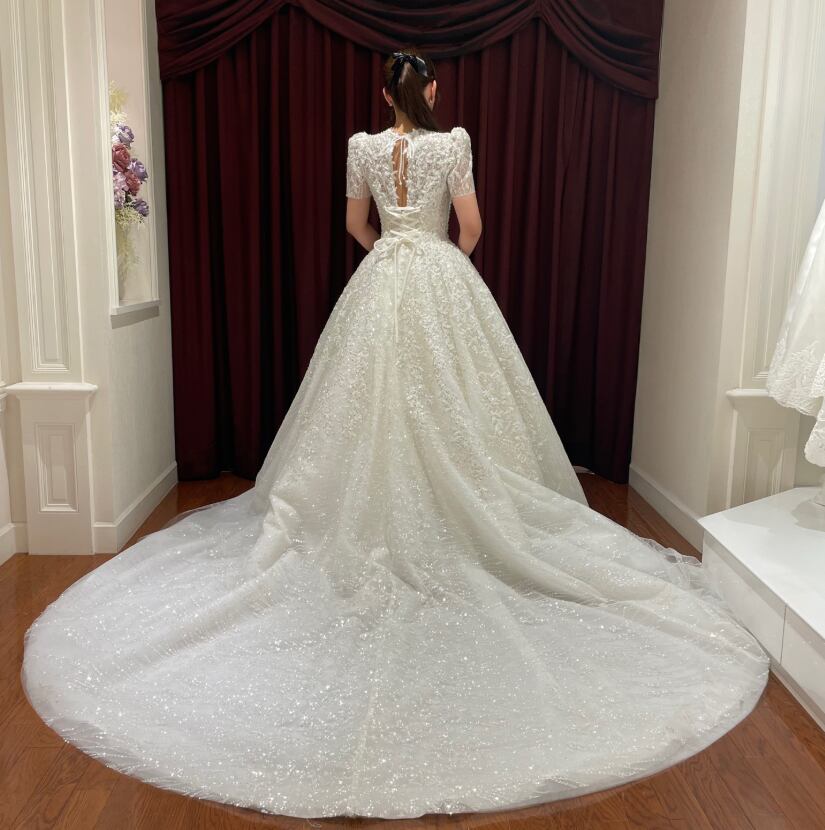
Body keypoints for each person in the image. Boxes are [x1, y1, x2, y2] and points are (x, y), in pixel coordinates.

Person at [21, 47, 770, 820]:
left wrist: (391, 250)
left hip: (380, 276)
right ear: (433, 88)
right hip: (441, 274)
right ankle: (468, 513)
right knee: (460, 406)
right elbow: (472, 226)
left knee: (358, 403)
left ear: (384, 95)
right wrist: (442, 260)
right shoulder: (455, 142)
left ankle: (360, 517)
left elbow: (355, 223)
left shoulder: (361, 146)